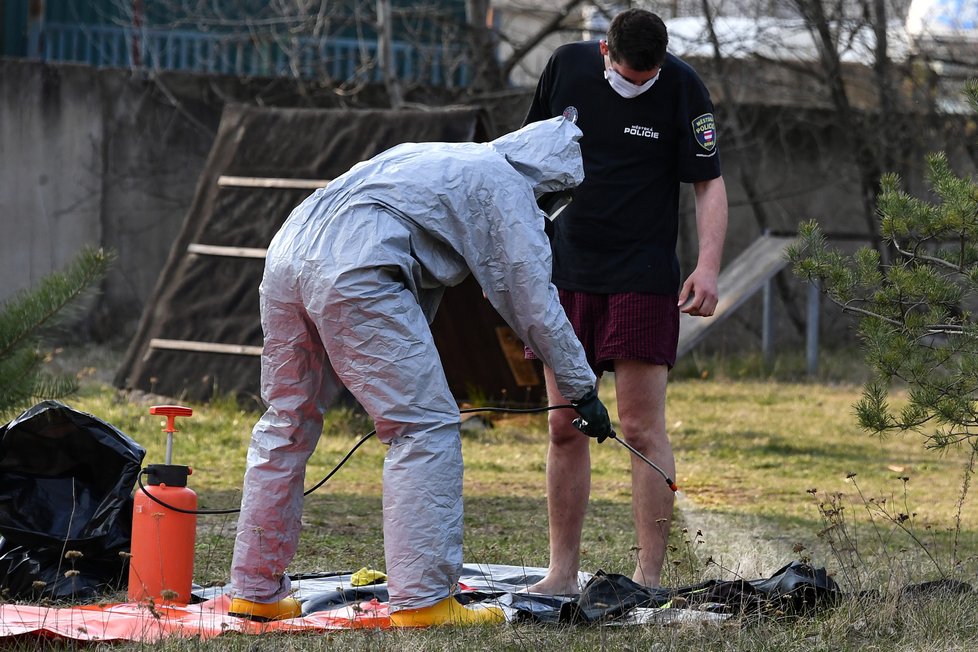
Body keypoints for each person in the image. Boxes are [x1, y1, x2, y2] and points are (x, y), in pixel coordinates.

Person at [226, 116, 614, 625]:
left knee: (286, 421)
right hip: (353, 268)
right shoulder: (506, 186)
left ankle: (253, 589)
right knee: (424, 426)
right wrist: (583, 388)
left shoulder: (439, 158)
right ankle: (425, 600)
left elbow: (416, 280)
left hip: (286, 257)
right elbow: (535, 306)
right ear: (547, 179)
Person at [523, 8, 729, 593]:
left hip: (643, 276)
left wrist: (707, 267)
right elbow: (524, 158)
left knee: (639, 427)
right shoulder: (566, 67)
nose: (638, 86)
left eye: (649, 77)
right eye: (627, 75)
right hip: (567, 271)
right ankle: (561, 572)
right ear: (605, 51)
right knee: (564, 425)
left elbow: (709, 182)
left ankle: (648, 576)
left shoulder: (684, 86)